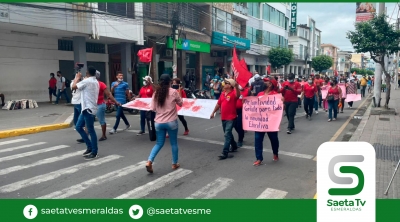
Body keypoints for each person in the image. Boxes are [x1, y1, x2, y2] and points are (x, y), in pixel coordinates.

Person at [145, 74, 183, 174]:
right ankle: (174, 163)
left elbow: (152, 108)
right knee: (174, 143)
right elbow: (180, 103)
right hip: (171, 122)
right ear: (169, 82)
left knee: (159, 144)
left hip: (158, 123)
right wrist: (179, 92)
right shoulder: (174, 92)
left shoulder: (156, 93)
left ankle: (149, 161)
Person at [71, 66, 100, 160]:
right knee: (78, 127)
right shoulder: (95, 81)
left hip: (88, 108)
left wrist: (77, 78)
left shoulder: (87, 81)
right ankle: (90, 146)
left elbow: (73, 87)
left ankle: (94, 151)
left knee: (91, 130)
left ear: (87, 73)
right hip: (87, 108)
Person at [210, 78, 240, 160]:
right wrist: (213, 112)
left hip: (231, 118)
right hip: (223, 117)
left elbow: (238, 95)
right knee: (228, 134)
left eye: (226, 83)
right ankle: (234, 146)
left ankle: (225, 152)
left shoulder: (233, 93)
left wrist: (236, 87)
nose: (224, 84)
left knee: (227, 134)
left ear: (230, 85)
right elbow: (218, 104)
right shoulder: (223, 94)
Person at [253, 77, 281, 166]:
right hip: (260, 121)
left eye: (267, 82)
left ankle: (275, 153)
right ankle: (259, 158)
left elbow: (278, 107)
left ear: (271, 84)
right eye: (265, 82)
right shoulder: (260, 94)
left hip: (271, 122)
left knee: (273, 139)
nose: (265, 83)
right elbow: (255, 105)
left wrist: (281, 101)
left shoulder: (275, 94)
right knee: (257, 139)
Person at [96, 71, 120, 141]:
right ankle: (85, 135)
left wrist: (115, 102)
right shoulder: (90, 84)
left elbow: (109, 94)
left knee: (101, 120)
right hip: (91, 105)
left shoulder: (101, 84)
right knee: (87, 120)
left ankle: (104, 135)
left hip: (100, 104)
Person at [234, 83, 250, 147]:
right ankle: (241, 133)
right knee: (234, 125)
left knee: (239, 124)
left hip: (243, 110)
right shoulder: (234, 90)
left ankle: (240, 140)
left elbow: (252, 100)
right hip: (234, 110)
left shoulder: (247, 91)